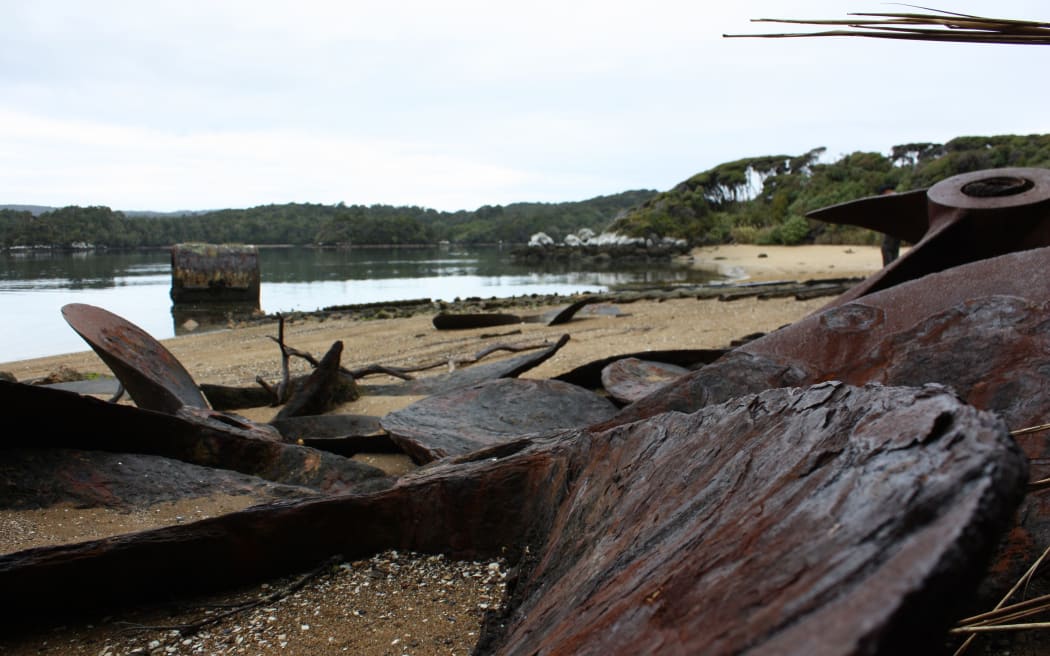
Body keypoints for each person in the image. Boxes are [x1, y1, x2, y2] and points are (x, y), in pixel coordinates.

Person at [877, 184, 901, 265]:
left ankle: (889, 271)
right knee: (894, 250)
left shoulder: (890, 196)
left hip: (893, 227)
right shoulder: (898, 196)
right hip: (899, 228)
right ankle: (894, 270)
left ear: (885, 192)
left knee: (886, 249)